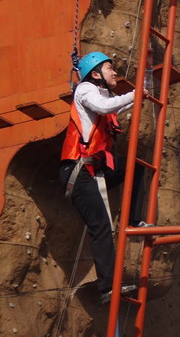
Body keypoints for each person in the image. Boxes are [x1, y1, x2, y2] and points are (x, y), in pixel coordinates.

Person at [59, 51, 152, 304]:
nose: (115, 72)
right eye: (110, 68)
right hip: (77, 172)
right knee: (100, 226)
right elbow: (105, 106)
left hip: (93, 170)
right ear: (96, 74)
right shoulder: (85, 90)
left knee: (135, 167)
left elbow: (129, 100)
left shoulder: (104, 95)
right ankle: (107, 288)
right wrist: (134, 94)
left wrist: (147, 74)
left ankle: (134, 220)